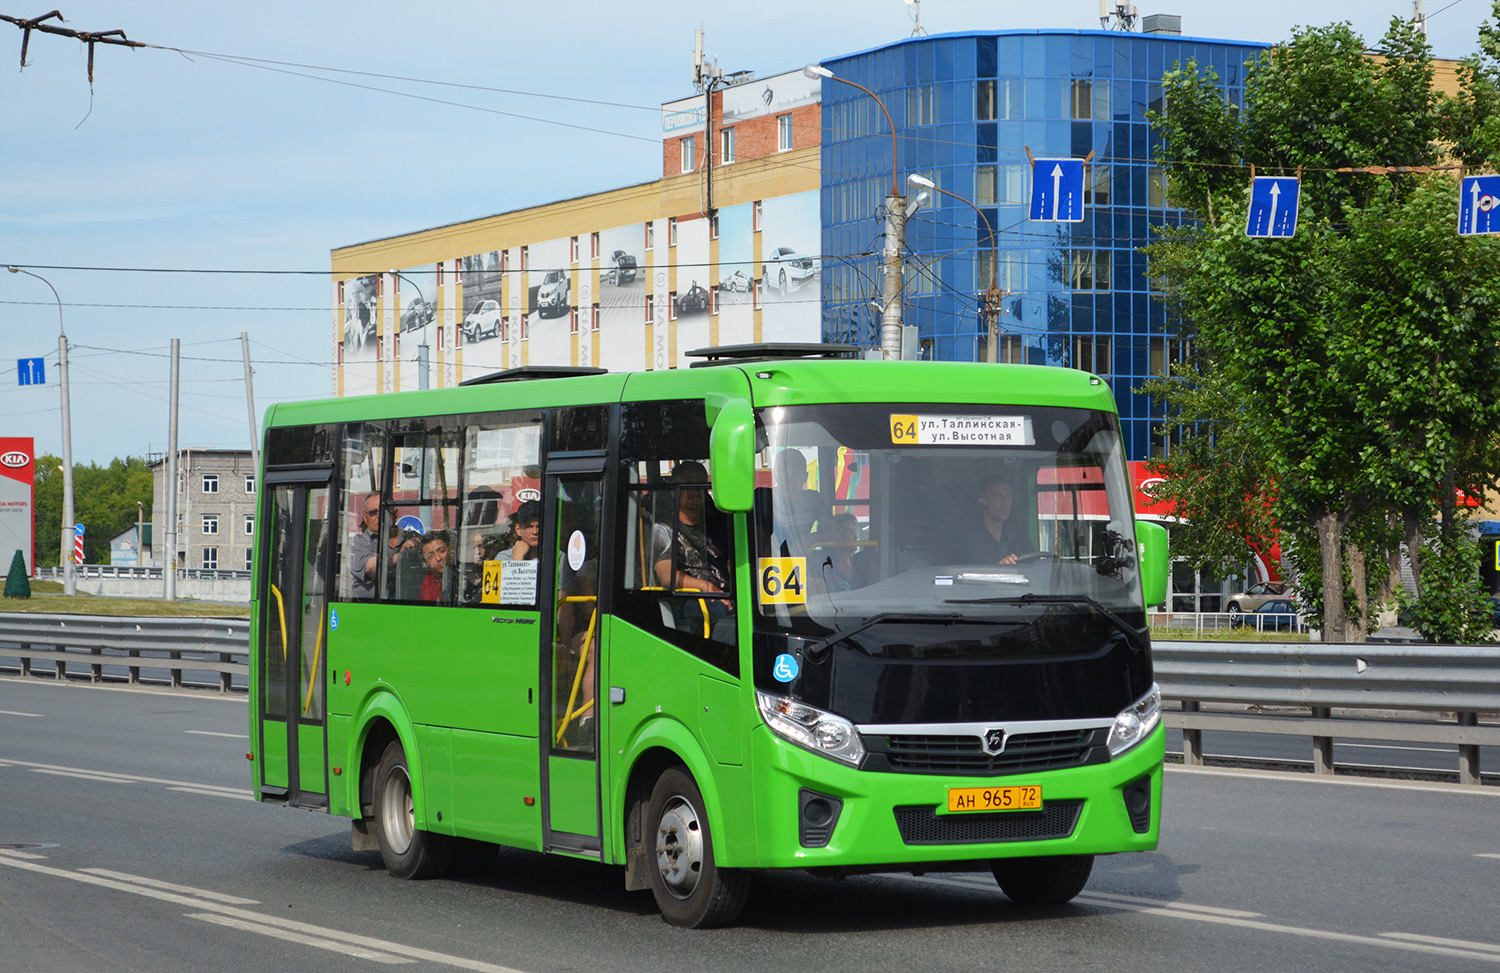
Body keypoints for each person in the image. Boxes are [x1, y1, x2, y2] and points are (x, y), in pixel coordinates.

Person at [652, 462, 731, 630]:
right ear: (674, 492)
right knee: (720, 613)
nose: (693, 492)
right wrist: (706, 587)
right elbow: (667, 577)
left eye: (699, 485)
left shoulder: (718, 526)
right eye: (686, 486)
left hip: (725, 594)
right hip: (688, 600)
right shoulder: (663, 529)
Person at [955, 477, 1036, 565]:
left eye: (1008, 497)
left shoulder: (1021, 540)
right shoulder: (967, 543)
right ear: (983, 501)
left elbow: (1036, 570)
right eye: (998, 497)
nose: (1005, 503)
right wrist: (999, 569)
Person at [812, 512, 860, 592]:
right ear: (837, 535)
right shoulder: (820, 562)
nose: (856, 537)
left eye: (854, 532)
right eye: (850, 532)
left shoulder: (859, 564)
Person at [346, 494, 382, 599]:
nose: (379, 516)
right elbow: (371, 568)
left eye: (384, 510)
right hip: (368, 607)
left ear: (395, 513)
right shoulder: (358, 542)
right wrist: (399, 556)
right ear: (365, 518)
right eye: (373, 513)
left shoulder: (408, 537)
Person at [417, 530, 453, 603]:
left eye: (442, 551)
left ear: (450, 550)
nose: (438, 558)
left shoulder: (462, 574)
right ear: (425, 563)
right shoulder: (429, 582)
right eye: (431, 556)